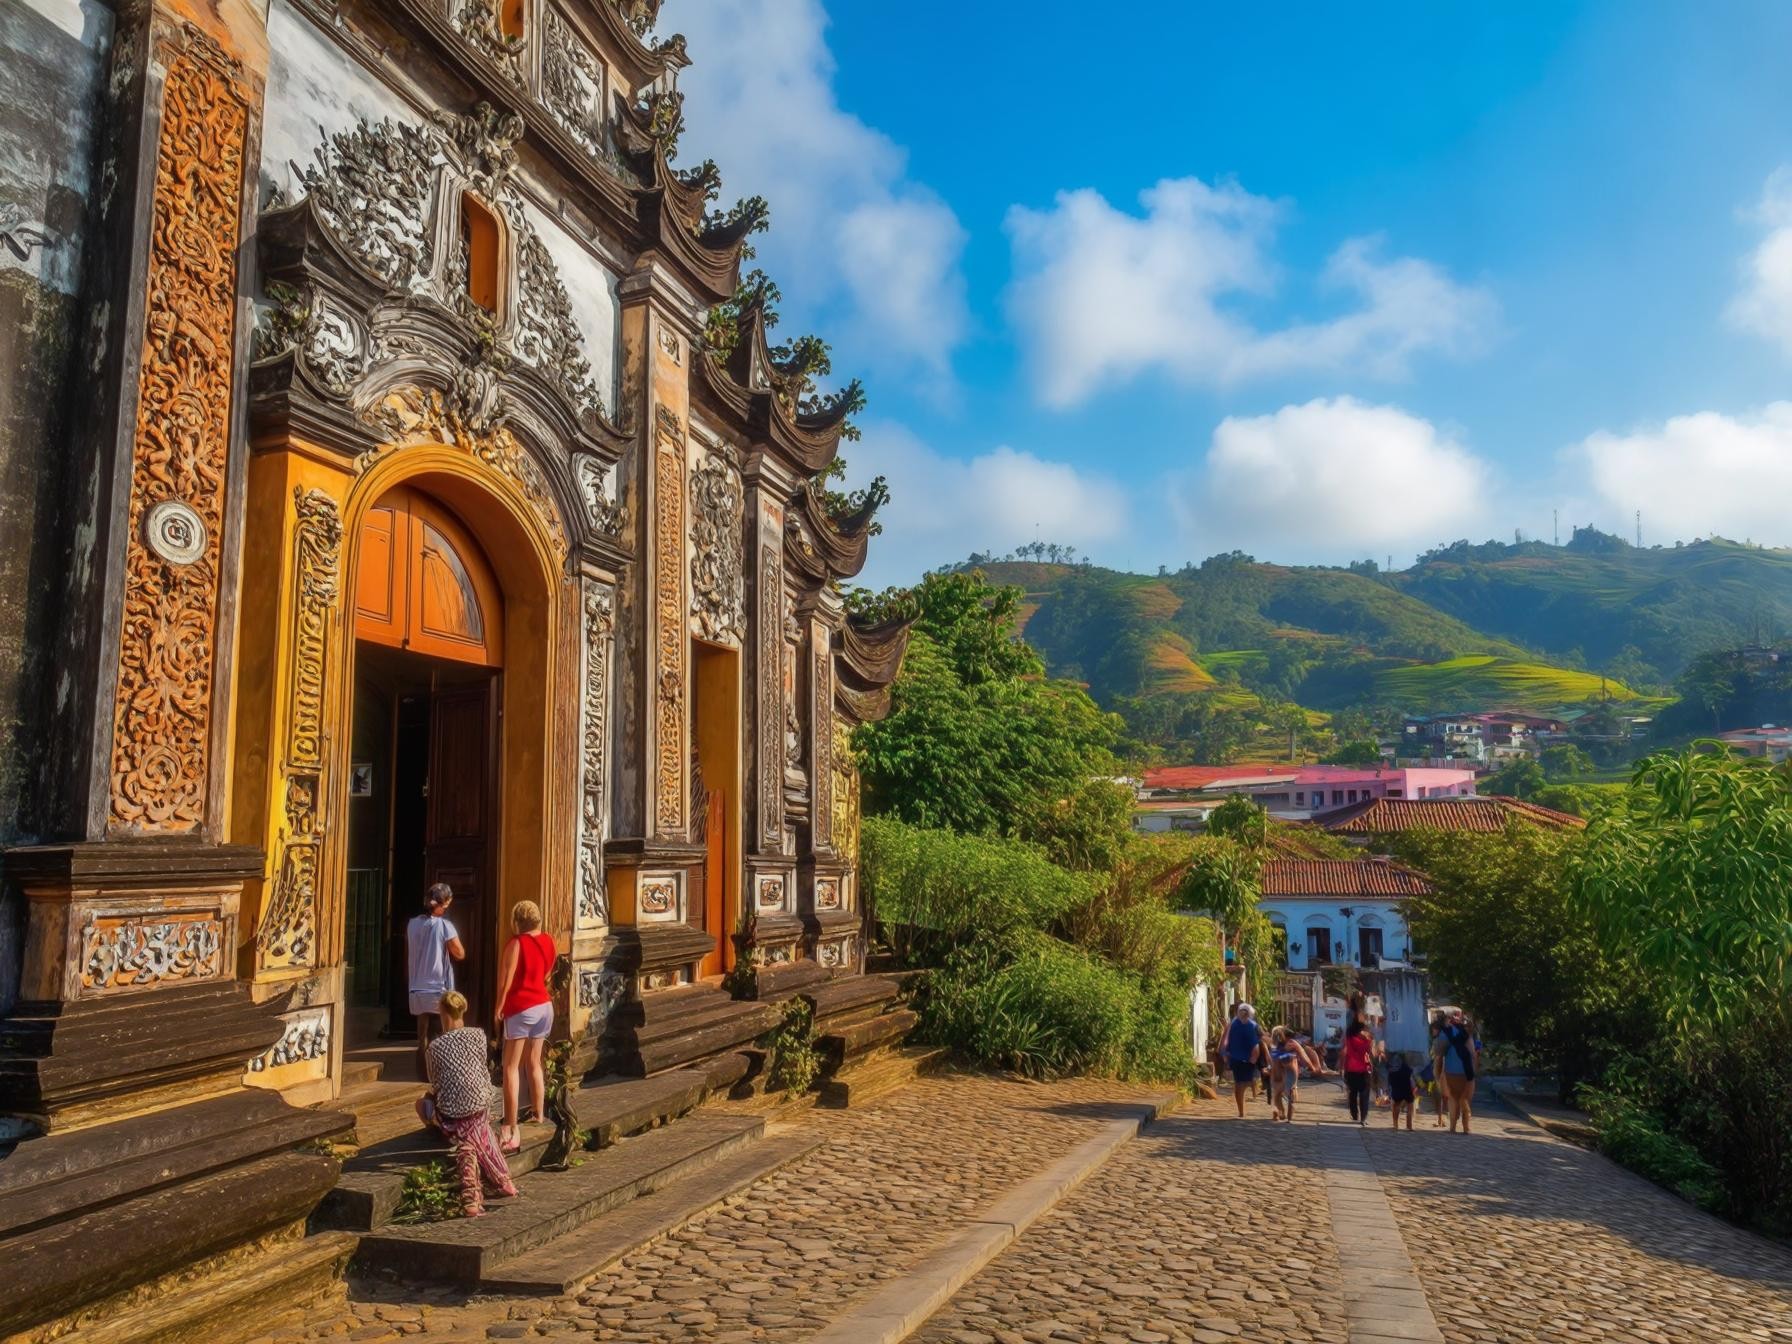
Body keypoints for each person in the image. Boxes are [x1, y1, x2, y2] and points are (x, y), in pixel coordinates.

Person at [415, 990, 516, 1217]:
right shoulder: (479, 1035)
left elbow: (436, 1083)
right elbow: (481, 1068)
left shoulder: (435, 1047)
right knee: (479, 1129)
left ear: (442, 1012)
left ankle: (472, 1196)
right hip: (481, 1102)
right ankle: (502, 1179)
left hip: (455, 1112)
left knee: (423, 1105)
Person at [495, 900, 556, 1154]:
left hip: (522, 1007)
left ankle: (510, 1124)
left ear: (516, 920)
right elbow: (547, 972)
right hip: (544, 1006)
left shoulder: (516, 943)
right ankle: (538, 1112)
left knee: (510, 1067)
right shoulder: (548, 941)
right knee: (534, 1062)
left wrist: (498, 1007)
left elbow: (506, 979)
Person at [407, 883, 465, 1075]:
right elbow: (460, 953)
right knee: (449, 1031)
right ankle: (444, 1073)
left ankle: (423, 1073)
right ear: (443, 904)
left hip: (416, 988)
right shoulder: (444, 925)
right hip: (438, 988)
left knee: (422, 1035)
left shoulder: (412, 924)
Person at [1219, 1003, 1267, 1118]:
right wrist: (1224, 1052)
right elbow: (1225, 1040)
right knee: (1240, 1084)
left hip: (1248, 1059)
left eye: (1245, 1012)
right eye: (1241, 1012)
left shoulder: (1253, 1026)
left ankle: (1249, 1091)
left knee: (1242, 1083)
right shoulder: (1233, 1025)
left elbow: (1260, 1041)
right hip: (1238, 1058)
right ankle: (1241, 1111)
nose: (1243, 1014)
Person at [1441, 1008, 1480, 1134]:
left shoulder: (1446, 1031)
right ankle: (1466, 1127)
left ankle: (1452, 1127)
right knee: (1465, 1099)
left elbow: (1438, 1051)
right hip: (1466, 1071)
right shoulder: (1470, 1033)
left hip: (1450, 1070)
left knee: (1453, 1098)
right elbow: (1473, 1053)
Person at [1342, 1018, 1375, 1125]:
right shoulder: (1366, 1041)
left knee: (1352, 1093)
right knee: (1364, 1095)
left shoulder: (1349, 1039)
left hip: (1351, 1070)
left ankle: (1354, 1114)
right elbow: (1371, 1053)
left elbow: (1347, 1053)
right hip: (1364, 1071)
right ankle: (1363, 1118)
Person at [1267, 1025, 1302, 1123]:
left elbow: (1276, 1059)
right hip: (1282, 1071)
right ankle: (1283, 1113)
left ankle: (1283, 1113)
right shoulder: (1281, 1046)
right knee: (1283, 1094)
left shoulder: (1288, 1045)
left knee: (1281, 1094)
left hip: (1284, 1071)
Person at [1426, 1013, 1451, 1127]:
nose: (1432, 1033)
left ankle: (1442, 1118)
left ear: (1436, 1029)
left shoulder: (1439, 1039)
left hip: (1439, 1069)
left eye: (1433, 1030)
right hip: (1444, 1069)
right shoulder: (1446, 1036)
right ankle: (1443, 1118)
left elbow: (1436, 1055)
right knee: (1443, 1096)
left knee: (1439, 1095)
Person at [1387, 1051, 1416, 1131]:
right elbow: (1412, 1078)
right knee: (1410, 1106)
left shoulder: (1392, 1065)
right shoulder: (1409, 1066)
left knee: (1396, 1105)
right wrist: (1414, 1087)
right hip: (1407, 1088)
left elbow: (1389, 1078)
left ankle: (1395, 1124)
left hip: (1396, 1087)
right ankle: (1409, 1125)